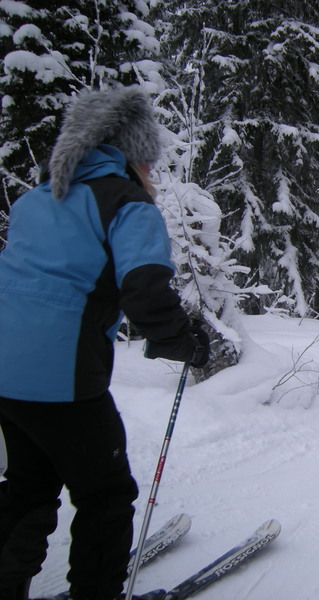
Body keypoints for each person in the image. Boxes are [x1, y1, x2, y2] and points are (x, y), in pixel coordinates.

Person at [0, 86, 210, 600]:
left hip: (5, 372)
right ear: (134, 154)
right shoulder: (126, 202)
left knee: (29, 485)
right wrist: (187, 345)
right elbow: (144, 289)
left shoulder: (35, 199)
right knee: (107, 494)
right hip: (63, 377)